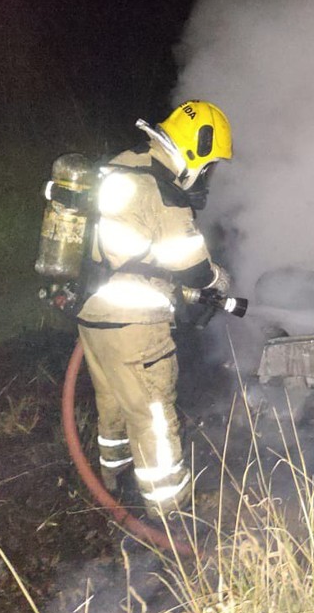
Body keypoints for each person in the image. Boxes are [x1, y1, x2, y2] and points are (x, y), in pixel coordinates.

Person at [76, 100, 233, 517]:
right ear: (196, 149)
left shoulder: (122, 166)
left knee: (114, 404)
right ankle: (171, 515)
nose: (208, 173)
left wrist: (177, 292)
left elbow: (135, 253)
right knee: (154, 417)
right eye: (211, 162)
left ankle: (117, 484)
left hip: (94, 314)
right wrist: (218, 282)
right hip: (136, 326)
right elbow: (192, 266)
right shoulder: (165, 191)